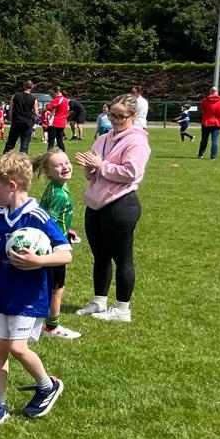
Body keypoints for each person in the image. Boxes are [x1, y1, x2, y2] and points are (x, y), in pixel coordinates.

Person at [0, 151, 72, 422]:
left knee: (17, 347)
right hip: (0, 294)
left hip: (29, 296)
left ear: (11, 186)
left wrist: (38, 260)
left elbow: (65, 253)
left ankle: (47, 386)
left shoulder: (37, 217)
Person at [75, 94, 151, 324]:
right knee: (100, 256)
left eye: (121, 117)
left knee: (123, 259)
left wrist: (101, 165)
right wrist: (89, 168)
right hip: (96, 203)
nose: (115, 120)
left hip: (120, 204)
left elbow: (131, 172)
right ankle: (99, 301)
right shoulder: (103, 138)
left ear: (133, 116)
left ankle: (122, 309)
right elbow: (93, 171)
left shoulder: (137, 141)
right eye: (112, 115)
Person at [32, 148, 81, 339]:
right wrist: (59, 238)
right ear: (48, 172)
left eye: (66, 162)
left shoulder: (56, 187)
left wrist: (67, 230)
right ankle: (51, 327)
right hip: (55, 247)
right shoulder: (59, 194)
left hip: (55, 241)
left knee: (48, 285)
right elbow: (48, 222)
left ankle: (34, 323)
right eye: (58, 165)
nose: (65, 167)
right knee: (57, 288)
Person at [4, 80, 37, 154]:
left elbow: (10, 109)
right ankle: (23, 158)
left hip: (17, 121)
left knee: (11, 142)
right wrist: (33, 122)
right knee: (25, 144)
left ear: (24, 86)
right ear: (32, 87)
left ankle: (5, 157)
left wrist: (11, 120)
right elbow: (36, 113)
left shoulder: (15, 96)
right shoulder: (34, 99)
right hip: (27, 123)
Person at [198, 86, 220, 159]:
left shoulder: (205, 100)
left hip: (206, 122)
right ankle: (213, 157)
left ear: (210, 92)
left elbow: (201, 110)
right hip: (217, 123)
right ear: (217, 92)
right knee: (215, 140)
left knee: (204, 140)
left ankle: (200, 154)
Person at [43, 86, 69, 152]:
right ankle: (63, 155)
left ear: (57, 92)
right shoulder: (66, 100)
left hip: (54, 122)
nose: (52, 95)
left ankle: (49, 156)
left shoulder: (58, 99)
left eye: (53, 93)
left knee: (51, 142)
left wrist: (46, 107)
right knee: (60, 141)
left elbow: (48, 107)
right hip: (62, 123)